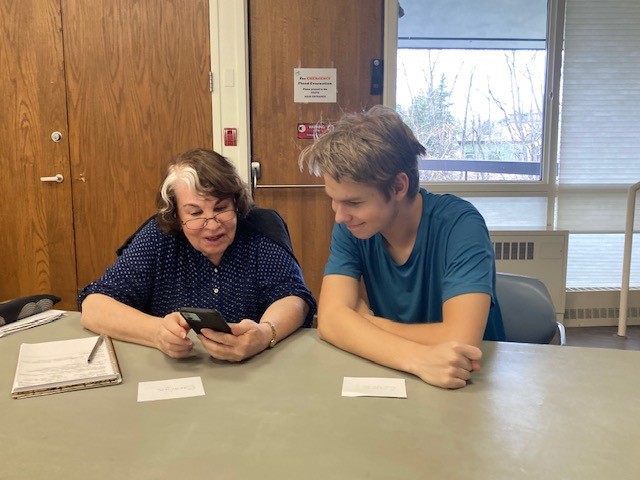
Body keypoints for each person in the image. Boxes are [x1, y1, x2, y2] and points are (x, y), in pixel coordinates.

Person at [299, 105, 505, 389]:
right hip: (399, 372)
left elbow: (461, 340)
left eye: (353, 202)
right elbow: (331, 322)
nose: (339, 215)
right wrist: (419, 358)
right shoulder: (352, 226)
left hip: (469, 380)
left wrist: (362, 323)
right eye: (333, 199)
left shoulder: (460, 225)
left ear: (398, 187)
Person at [80, 148, 316, 361]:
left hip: (256, 369)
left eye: (221, 208)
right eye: (195, 213)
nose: (212, 225)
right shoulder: (159, 236)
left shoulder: (260, 230)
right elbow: (94, 306)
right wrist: (156, 332)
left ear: (236, 203)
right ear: (175, 215)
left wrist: (264, 334)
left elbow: (294, 298)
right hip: (177, 373)